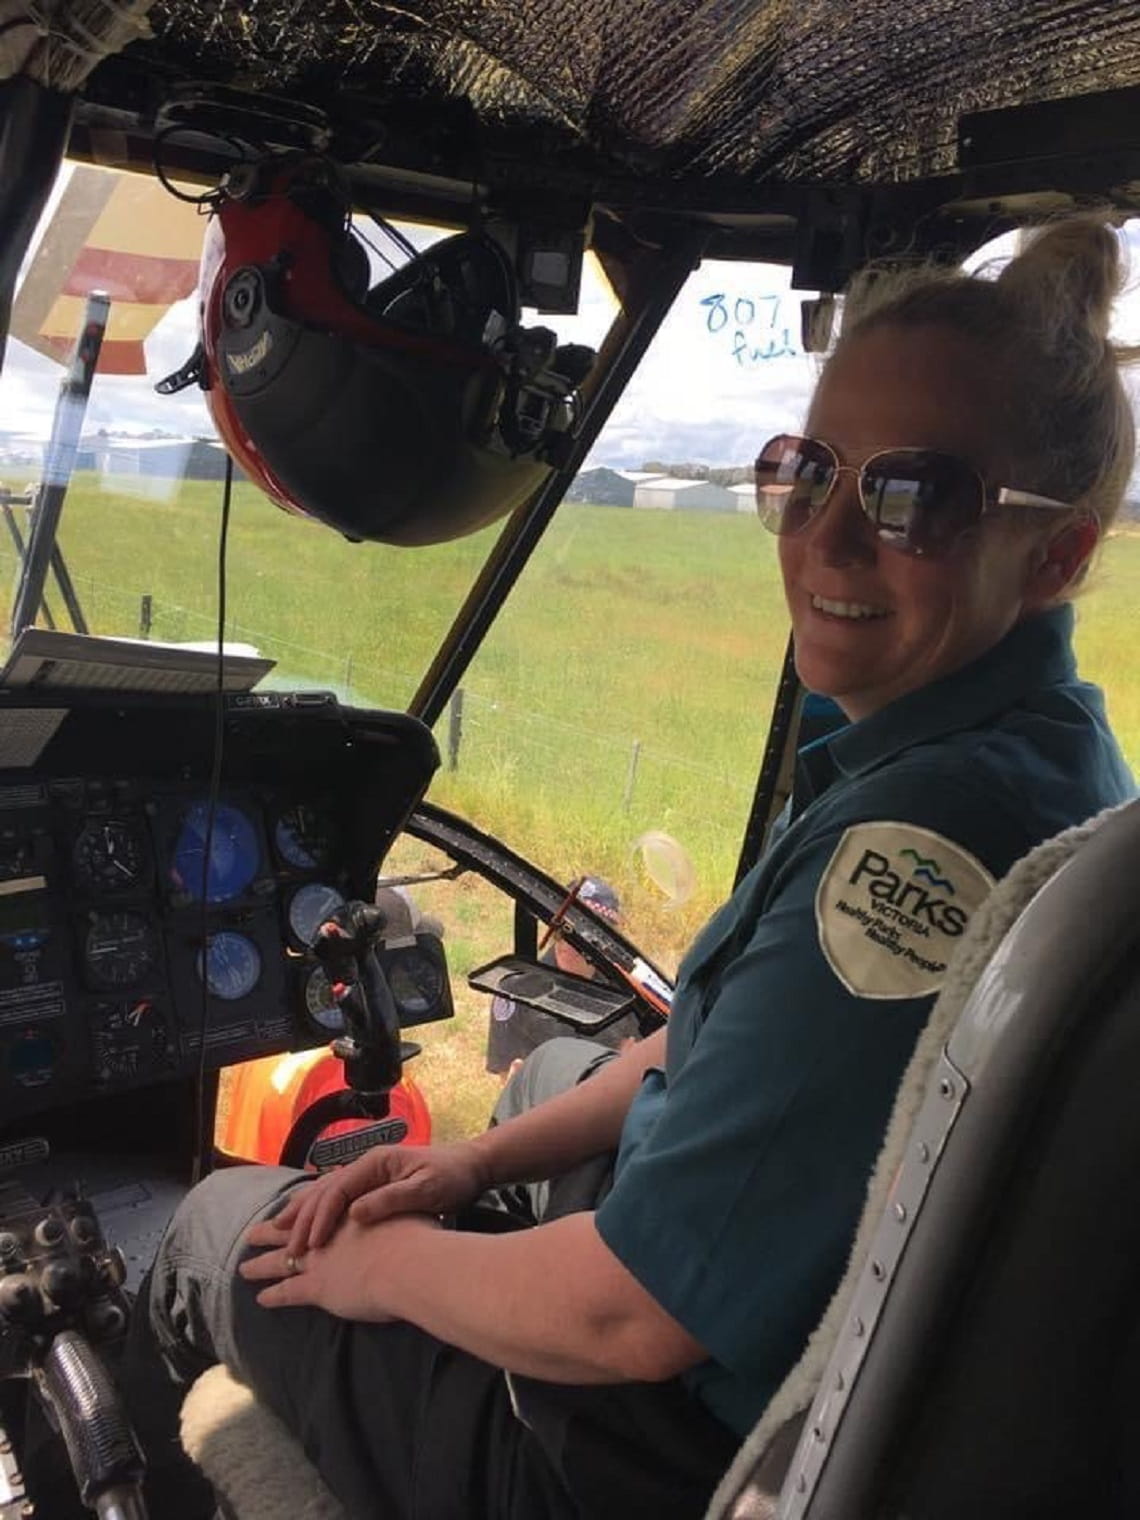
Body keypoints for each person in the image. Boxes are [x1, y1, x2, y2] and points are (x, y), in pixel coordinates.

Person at [119, 218, 1137, 1520]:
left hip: (633, 1456)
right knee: (543, 1081)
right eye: (807, 471)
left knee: (218, 1229)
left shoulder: (910, 858)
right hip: (799, 1375)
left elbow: (622, 1322)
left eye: (912, 497)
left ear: (1058, 555)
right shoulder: (1034, 754)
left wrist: (392, 1270)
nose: (824, 542)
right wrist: (467, 1175)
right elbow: (714, 1056)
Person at [485, 874, 640, 1080]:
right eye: (561, 928)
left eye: (582, 936)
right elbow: (509, 1077)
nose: (567, 942)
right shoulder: (518, 990)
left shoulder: (629, 990)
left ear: (605, 941)